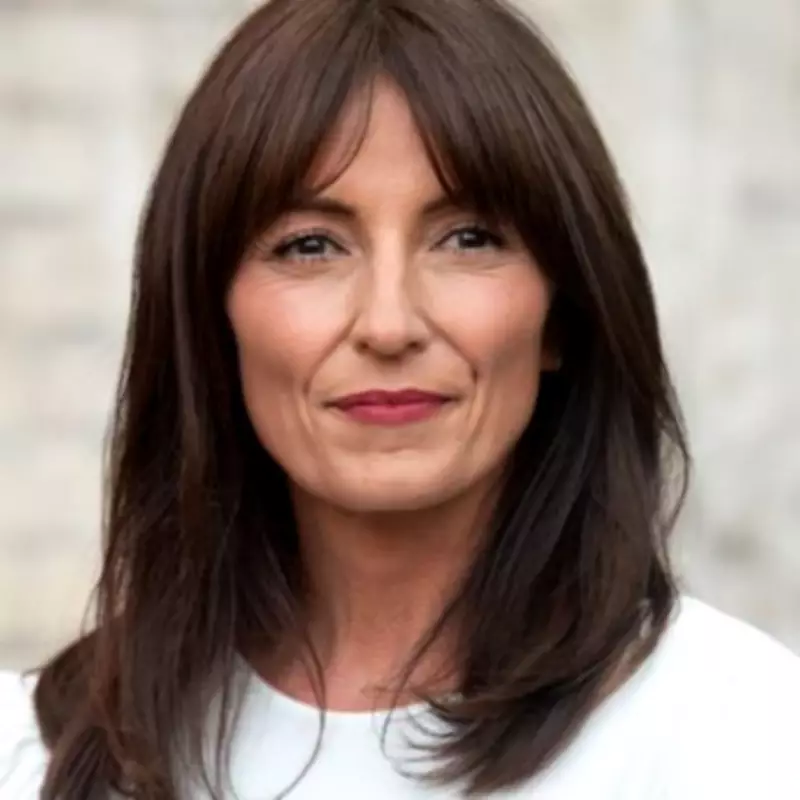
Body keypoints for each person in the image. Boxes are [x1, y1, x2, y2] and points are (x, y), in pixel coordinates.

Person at [2, 0, 799, 797]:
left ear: (562, 313)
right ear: (213, 320)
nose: (389, 324)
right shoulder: (44, 755)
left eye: (467, 238)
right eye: (311, 246)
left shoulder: (744, 737)